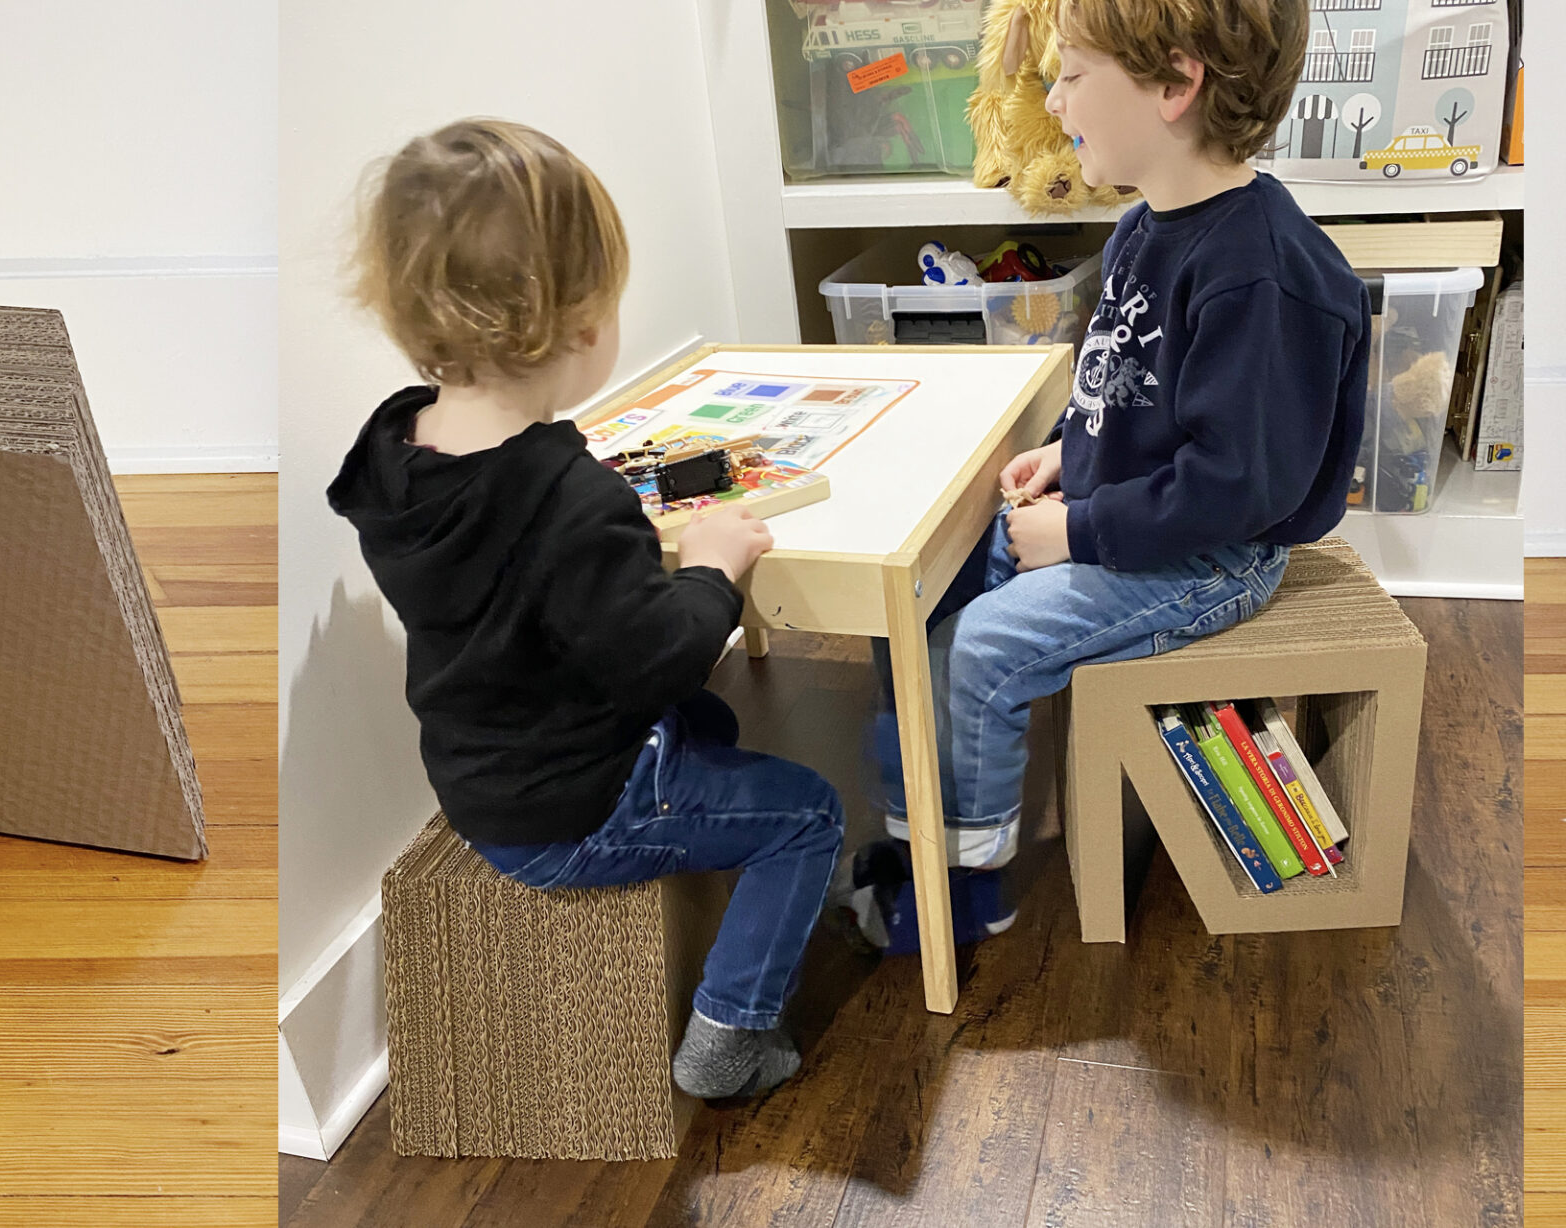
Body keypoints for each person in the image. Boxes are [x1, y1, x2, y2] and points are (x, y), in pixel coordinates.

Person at [327, 118, 840, 1099]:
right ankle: (727, 1039)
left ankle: (707, 862)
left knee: (713, 727)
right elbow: (663, 660)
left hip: (483, 776)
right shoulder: (564, 498)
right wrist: (710, 567)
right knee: (807, 814)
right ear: (574, 328)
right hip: (572, 811)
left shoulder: (394, 452)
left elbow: (533, 595)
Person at [870, 0, 1369, 888]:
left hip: (1212, 553)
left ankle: (964, 877)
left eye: (1069, 75)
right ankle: (921, 821)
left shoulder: (1261, 275)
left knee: (980, 647)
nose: (1053, 105)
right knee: (912, 593)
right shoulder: (1145, 224)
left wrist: (1077, 534)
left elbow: (1233, 487)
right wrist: (1069, 448)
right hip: (1133, 515)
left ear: (1176, 83)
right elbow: (1123, 373)